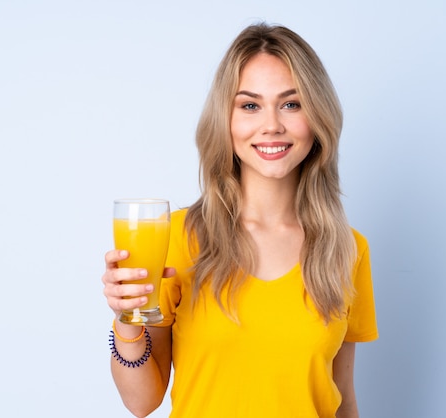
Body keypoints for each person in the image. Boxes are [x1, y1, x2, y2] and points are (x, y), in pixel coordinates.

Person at [102, 22, 378, 418]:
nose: (271, 125)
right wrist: (126, 321)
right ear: (225, 120)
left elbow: (343, 400)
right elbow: (141, 402)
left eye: (291, 103)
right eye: (250, 105)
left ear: (317, 118)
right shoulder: (178, 237)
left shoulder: (347, 250)